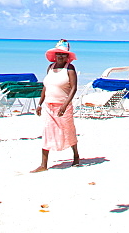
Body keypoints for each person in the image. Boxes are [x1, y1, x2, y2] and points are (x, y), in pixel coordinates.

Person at [32, 39, 80, 171]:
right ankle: (43, 165)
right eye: (58, 54)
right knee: (47, 132)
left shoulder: (69, 68)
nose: (60, 56)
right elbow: (45, 87)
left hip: (63, 106)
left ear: (67, 56)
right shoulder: (50, 68)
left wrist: (64, 106)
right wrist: (40, 103)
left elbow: (74, 88)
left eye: (63, 54)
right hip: (49, 106)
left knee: (68, 130)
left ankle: (76, 156)